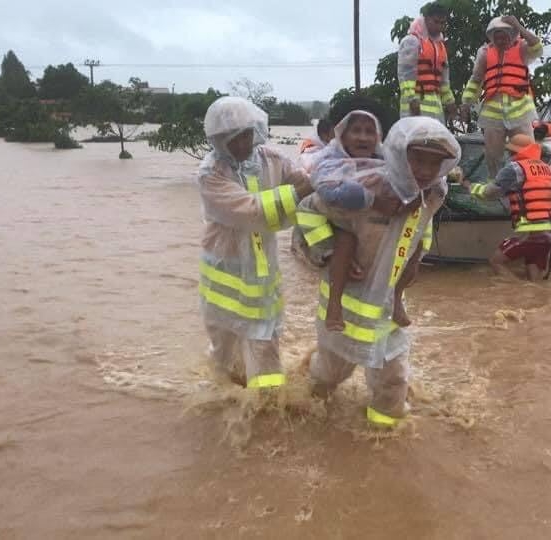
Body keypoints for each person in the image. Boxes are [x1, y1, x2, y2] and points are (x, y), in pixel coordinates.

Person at [296, 117, 460, 427]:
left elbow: (422, 228)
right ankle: (309, 419)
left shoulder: (434, 193)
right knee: (329, 377)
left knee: (394, 379)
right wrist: (328, 253)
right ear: (398, 154)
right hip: (346, 306)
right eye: (418, 160)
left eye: (435, 163)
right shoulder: (366, 186)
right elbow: (307, 210)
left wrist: (417, 257)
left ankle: (383, 438)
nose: (426, 170)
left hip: (386, 307)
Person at [196, 96, 314, 389]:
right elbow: (251, 211)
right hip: (223, 280)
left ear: (255, 130)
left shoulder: (273, 160)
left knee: (265, 351)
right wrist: (298, 194)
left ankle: (266, 409)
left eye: (245, 135)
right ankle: (225, 399)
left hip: (262, 278)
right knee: (224, 359)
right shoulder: (211, 174)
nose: (239, 145)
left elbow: (306, 185)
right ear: (217, 140)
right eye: (229, 139)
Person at [302, 109, 416, 332]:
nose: (363, 137)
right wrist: (372, 199)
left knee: (415, 247)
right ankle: (334, 306)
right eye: (356, 131)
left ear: (379, 138)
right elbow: (327, 188)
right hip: (342, 220)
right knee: (346, 241)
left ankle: (397, 300)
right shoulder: (329, 160)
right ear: (342, 136)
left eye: (369, 131)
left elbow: (407, 183)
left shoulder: (385, 161)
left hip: (378, 230)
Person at [463, 128, 551, 281]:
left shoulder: (514, 169)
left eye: (510, 152)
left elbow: (489, 193)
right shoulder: (546, 169)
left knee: (496, 261)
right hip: (549, 235)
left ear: (514, 153)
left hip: (528, 234)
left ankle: (518, 293)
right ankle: (534, 296)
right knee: (535, 278)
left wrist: (469, 186)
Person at [460, 15, 545, 183]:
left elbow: (538, 47)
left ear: (512, 34)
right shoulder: (484, 53)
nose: (500, 39)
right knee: (493, 156)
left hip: (520, 111)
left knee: (527, 152)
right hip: (493, 114)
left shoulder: (522, 48)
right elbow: (476, 80)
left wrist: (518, 25)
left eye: (504, 35)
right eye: (496, 36)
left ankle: (530, 185)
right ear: (491, 37)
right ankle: (496, 189)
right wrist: (466, 103)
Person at [397, 2, 457, 124]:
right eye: (436, 22)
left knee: (436, 142)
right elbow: (405, 75)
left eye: (442, 23)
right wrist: (412, 99)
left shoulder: (441, 47)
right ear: (426, 19)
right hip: (414, 108)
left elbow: (444, 81)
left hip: (436, 110)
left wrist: (450, 102)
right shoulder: (412, 41)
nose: (439, 26)